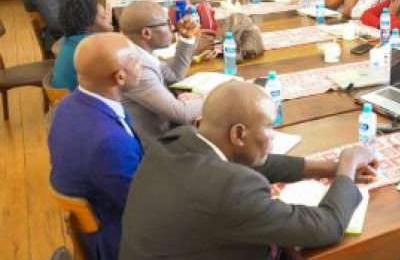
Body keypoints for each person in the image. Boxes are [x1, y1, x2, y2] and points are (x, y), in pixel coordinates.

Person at [119, 81, 378, 260]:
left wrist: (329, 168)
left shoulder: (178, 141)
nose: (273, 137)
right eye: (269, 127)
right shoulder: (231, 189)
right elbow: (327, 226)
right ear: (239, 134)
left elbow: (255, 161)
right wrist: (348, 162)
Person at [48, 33, 143, 260]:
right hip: (117, 238)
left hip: (101, 209)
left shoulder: (68, 104)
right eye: (137, 61)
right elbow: (141, 206)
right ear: (120, 77)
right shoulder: (109, 143)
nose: (143, 65)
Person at [119, 1, 203, 148]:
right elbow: (181, 114)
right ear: (146, 33)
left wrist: (186, 39)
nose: (173, 28)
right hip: (159, 145)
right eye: (167, 23)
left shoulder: (139, 52)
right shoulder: (136, 67)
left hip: (165, 129)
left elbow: (175, 76)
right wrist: (209, 98)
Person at [51, 0, 114, 90]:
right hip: (81, 100)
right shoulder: (92, 48)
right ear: (89, 24)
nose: (109, 19)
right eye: (103, 16)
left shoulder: (70, 38)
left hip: (65, 99)